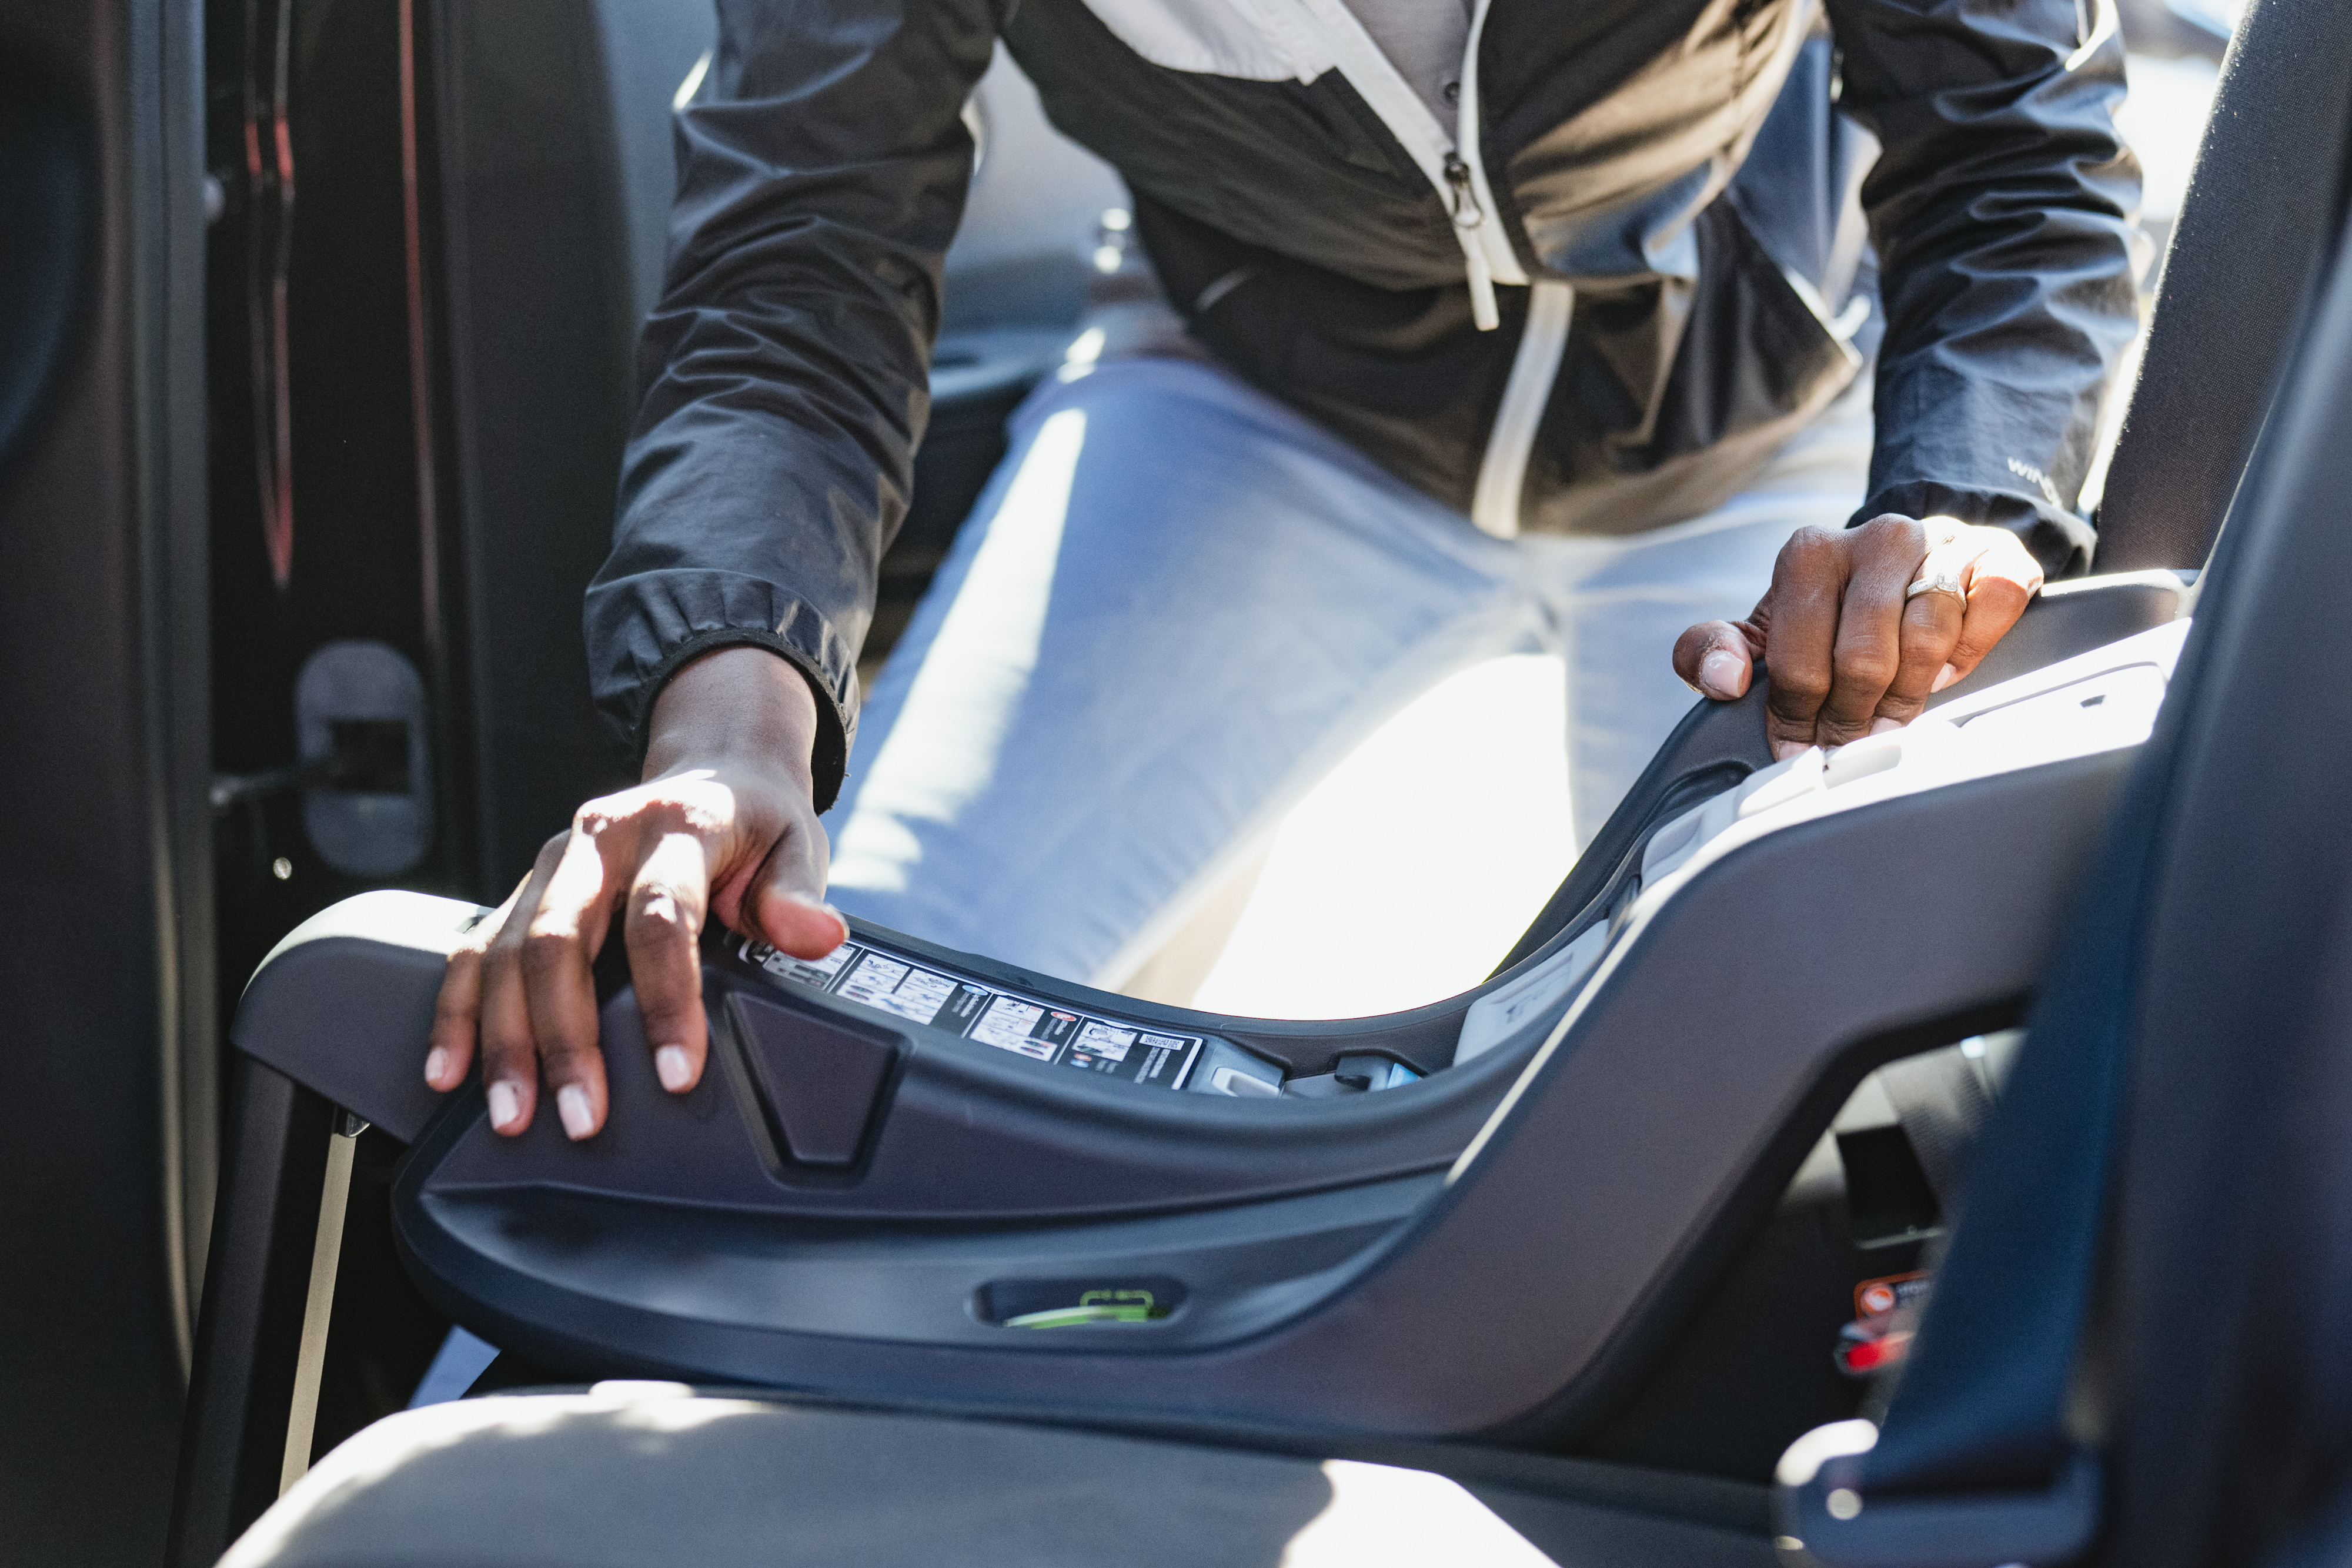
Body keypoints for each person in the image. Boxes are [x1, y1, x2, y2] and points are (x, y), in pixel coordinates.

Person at [422, 0, 2140, 1141]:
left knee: (1847, 1157)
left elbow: (2016, 147)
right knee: (808, 1081)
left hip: (1780, 438)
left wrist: (1968, 509)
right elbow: (805, 243)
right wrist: (728, 734)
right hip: (1253, 392)